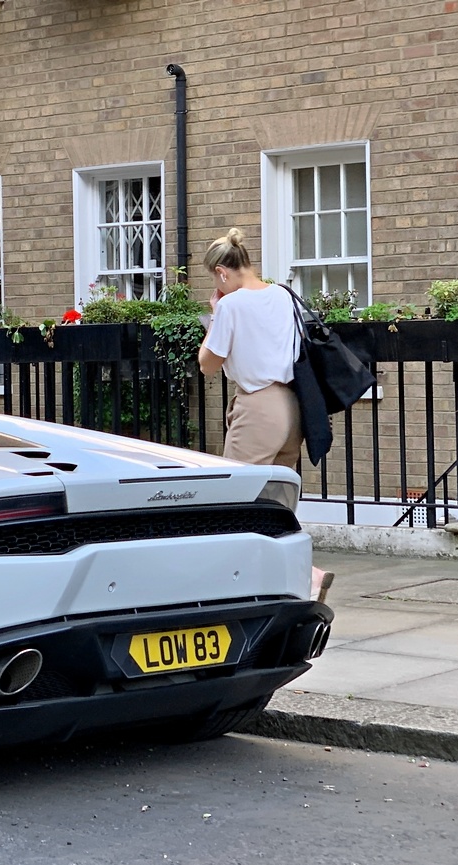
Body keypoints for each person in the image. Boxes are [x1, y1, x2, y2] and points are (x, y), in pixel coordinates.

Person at [197, 228, 334, 603]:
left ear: (222, 273)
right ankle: (300, 578)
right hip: (293, 406)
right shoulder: (282, 295)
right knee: (278, 505)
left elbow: (208, 363)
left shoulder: (230, 305)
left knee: (234, 499)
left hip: (258, 406)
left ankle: (233, 588)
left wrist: (214, 314)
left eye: (214, 278)